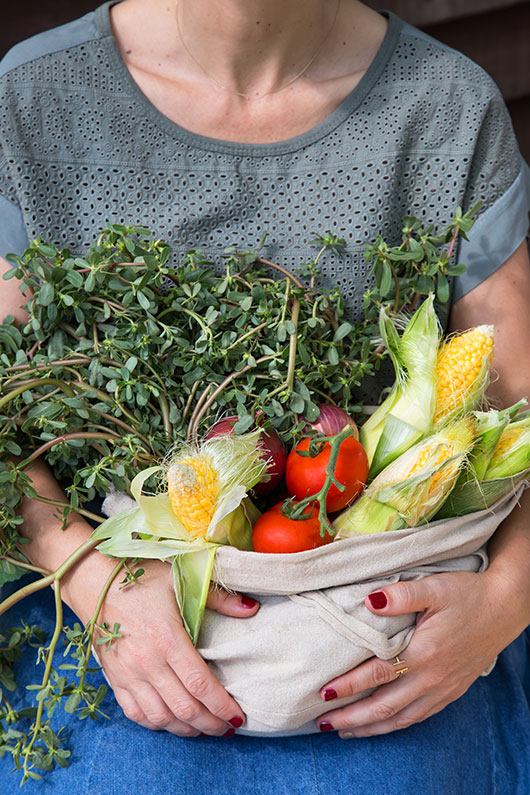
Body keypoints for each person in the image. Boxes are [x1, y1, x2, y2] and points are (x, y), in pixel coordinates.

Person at [1, 0, 530, 791]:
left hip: (383, 609)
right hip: (114, 588)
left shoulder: (447, 107)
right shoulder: (33, 101)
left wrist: (504, 599)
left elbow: (516, 407)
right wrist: (93, 578)